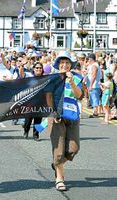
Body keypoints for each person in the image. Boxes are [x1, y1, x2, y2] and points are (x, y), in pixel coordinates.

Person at [48, 51, 83, 191]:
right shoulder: (52, 78)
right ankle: (59, 178)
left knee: (74, 148)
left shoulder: (78, 78)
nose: (64, 65)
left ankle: (56, 164)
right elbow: (48, 97)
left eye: (67, 63)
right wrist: (54, 112)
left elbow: (79, 96)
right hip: (57, 116)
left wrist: (72, 82)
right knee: (59, 149)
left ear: (71, 65)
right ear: (58, 64)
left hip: (73, 116)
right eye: (62, 62)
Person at [23, 62, 44, 141]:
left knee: (38, 120)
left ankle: (36, 135)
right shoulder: (30, 78)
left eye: (40, 68)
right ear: (34, 69)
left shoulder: (46, 78)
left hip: (41, 103)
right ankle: (26, 131)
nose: (39, 69)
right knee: (28, 119)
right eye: (37, 68)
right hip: (30, 102)